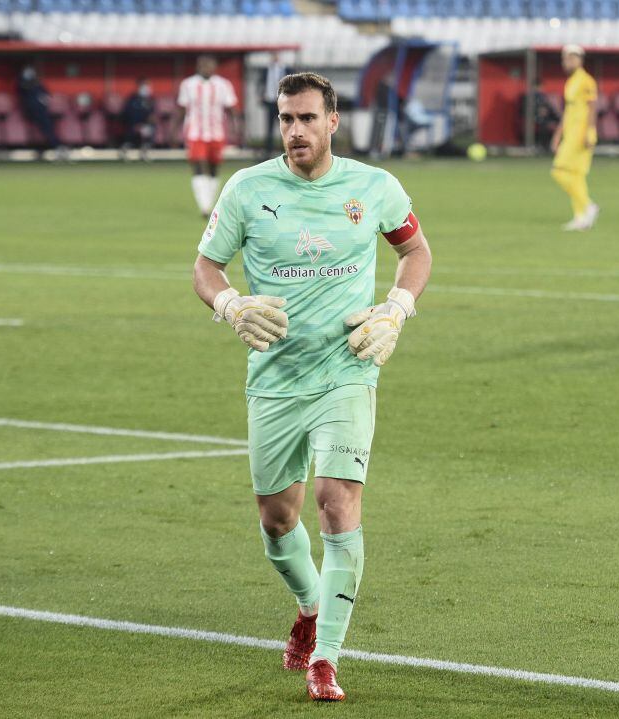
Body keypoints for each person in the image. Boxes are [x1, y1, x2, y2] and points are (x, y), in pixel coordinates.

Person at [191, 72, 432, 702]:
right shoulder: (246, 189)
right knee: (277, 520)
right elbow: (206, 268)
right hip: (274, 377)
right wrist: (230, 306)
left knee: (336, 499)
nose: (294, 131)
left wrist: (396, 309)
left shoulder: (373, 186)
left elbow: (417, 252)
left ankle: (325, 659)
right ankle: (309, 605)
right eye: (285, 119)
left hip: (347, 369)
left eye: (305, 119)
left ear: (332, 121)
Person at [176, 55, 238, 218]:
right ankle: (204, 206)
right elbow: (182, 108)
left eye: (209, 65)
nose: (206, 68)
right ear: (198, 66)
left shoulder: (223, 85)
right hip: (195, 132)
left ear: (214, 67)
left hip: (216, 133)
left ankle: (210, 202)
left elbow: (230, 108)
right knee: (199, 165)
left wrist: (236, 127)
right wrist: (174, 129)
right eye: (202, 65)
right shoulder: (188, 84)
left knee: (213, 168)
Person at [550, 44, 600, 231]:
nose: (567, 62)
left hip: (581, 133)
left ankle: (588, 206)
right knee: (575, 175)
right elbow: (568, 111)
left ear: (580, 59)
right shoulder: (571, 82)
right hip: (571, 133)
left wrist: (589, 131)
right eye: (565, 59)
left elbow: (593, 107)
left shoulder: (586, 81)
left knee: (559, 170)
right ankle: (581, 217)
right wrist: (558, 135)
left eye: (571, 58)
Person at [16, 65, 63, 156]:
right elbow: (21, 91)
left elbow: (46, 95)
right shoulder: (22, 84)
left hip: (42, 110)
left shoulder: (38, 84)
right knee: (45, 129)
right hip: (32, 111)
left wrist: (44, 99)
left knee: (48, 128)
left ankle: (56, 146)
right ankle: (55, 146)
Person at [262, 52, 292, 158]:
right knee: (269, 128)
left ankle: (286, 150)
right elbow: (261, 83)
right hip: (270, 101)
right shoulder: (266, 70)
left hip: (284, 102)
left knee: (285, 126)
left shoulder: (287, 70)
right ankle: (268, 152)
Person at [121, 78, 155, 161]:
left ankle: (144, 154)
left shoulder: (150, 100)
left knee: (149, 130)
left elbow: (150, 114)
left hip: (145, 125)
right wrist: (136, 124)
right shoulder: (133, 99)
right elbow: (128, 113)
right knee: (132, 135)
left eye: (148, 86)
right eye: (144, 86)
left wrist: (149, 120)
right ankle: (124, 152)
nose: (147, 88)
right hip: (132, 124)